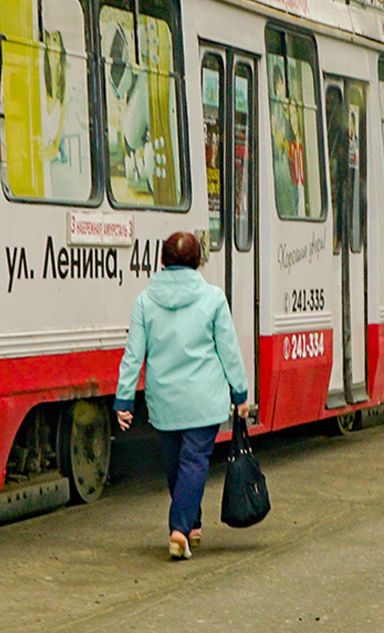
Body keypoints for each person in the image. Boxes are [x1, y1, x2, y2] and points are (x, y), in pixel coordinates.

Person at [114, 231, 254, 560]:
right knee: (194, 463)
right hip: (204, 399)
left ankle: (192, 525)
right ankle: (179, 528)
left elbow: (133, 354)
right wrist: (240, 393)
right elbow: (228, 351)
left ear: (163, 260)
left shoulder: (145, 301)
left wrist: (123, 400)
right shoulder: (214, 298)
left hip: (164, 401)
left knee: (176, 466)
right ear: (198, 262)